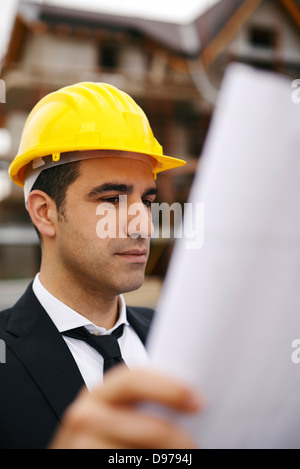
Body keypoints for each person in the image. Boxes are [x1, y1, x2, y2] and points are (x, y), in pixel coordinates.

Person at [0, 82, 201, 449]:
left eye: (146, 200)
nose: (143, 224)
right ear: (45, 212)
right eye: (112, 199)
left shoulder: (178, 339)